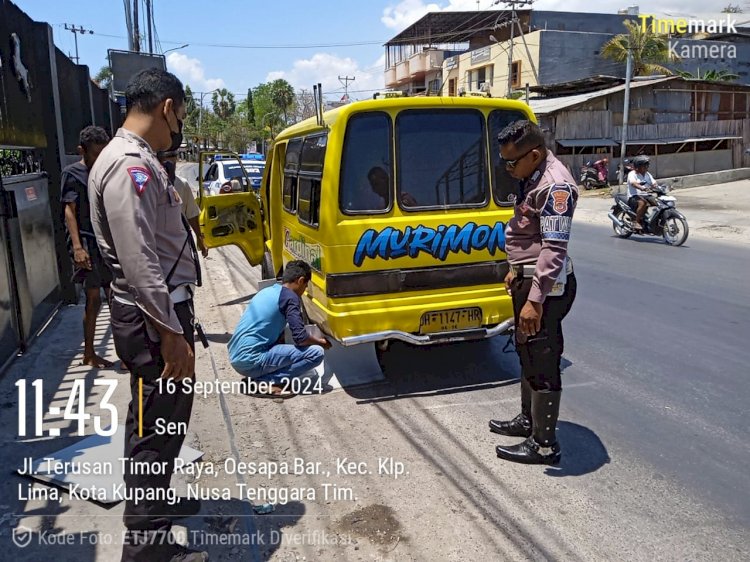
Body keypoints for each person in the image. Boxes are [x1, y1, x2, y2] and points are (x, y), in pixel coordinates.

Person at [89, 68, 206, 562]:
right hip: (153, 319)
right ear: (166, 108)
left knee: (157, 423)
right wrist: (171, 332)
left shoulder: (135, 160)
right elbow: (139, 263)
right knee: (157, 429)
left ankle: (153, 505)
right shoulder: (128, 166)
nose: (178, 127)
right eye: (179, 116)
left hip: (156, 314)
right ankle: (148, 547)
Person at [490, 120, 578, 465]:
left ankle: (544, 444)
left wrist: (535, 299)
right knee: (526, 351)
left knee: (542, 359)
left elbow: (554, 248)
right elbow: (528, 231)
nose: (508, 169)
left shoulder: (556, 186)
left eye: (512, 162)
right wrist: (515, 270)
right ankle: (528, 421)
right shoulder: (532, 174)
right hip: (527, 279)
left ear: (535, 154)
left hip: (546, 289)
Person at [228, 260, 330, 396]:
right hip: (251, 360)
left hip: (236, 356)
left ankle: (260, 378)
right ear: (300, 281)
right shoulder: (290, 298)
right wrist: (320, 342)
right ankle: (266, 382)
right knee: (316, 353)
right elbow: (301, 338)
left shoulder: (268, 291)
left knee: (282, 335)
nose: (304, 290)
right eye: (306, 286)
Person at [61, 125, 113, 368]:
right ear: (81, 150)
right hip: (86, 242)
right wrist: (77, 247)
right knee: (94, 299)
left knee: (116, 297)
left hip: (107, 241)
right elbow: (69, 211)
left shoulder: (105, 171)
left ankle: (125, 353)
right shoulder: (72, 174)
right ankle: (89, 353)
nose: (98, 158)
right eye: (94, 153)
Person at [158, 150, 209, 257]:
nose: (170, 167)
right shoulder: (151, 184)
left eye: (173, 164)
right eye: (166, 163)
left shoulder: (182, 184)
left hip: (180, 243)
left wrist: (200, 239)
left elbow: (192, 214)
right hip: (158, 244)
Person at [626, 155, 656, 231]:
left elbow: (654, 183)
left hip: (646, 195)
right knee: (643, 203)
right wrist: (642, 188)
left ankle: (652, 220)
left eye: (647, 165)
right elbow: (633, 183)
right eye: (645, 165)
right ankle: (636, 221)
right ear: (639, 166)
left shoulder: (647, 174)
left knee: (659, 202)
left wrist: (659, 187)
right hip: (633, 196)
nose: (647, 167)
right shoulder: (632, 174)